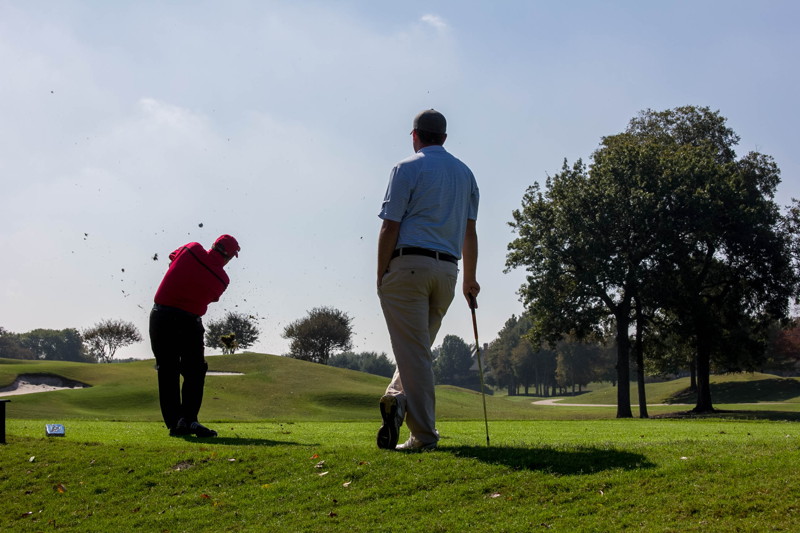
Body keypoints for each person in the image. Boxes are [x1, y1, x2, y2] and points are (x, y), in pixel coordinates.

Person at [376, 109, 480, 451]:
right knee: (417, 351)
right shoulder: (466, 174)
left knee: (415, 352)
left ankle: (423, 436)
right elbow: (469, 231)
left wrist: (380, 274)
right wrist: (470, 279)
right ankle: (396, 398)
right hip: (448, 272)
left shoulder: (406, 168)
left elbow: (390, 225)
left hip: (408, 267)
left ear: (414, 135)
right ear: (445, 138)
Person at [149, 234, 240, 438]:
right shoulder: (222, 279)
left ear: (214, 245)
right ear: (230, 257)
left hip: (161, 316)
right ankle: (190, 420)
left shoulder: (191, 248)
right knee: (195, 371)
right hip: (189, 323)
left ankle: (176, 422)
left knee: (168, 370)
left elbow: (172, 257)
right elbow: (211, 298)